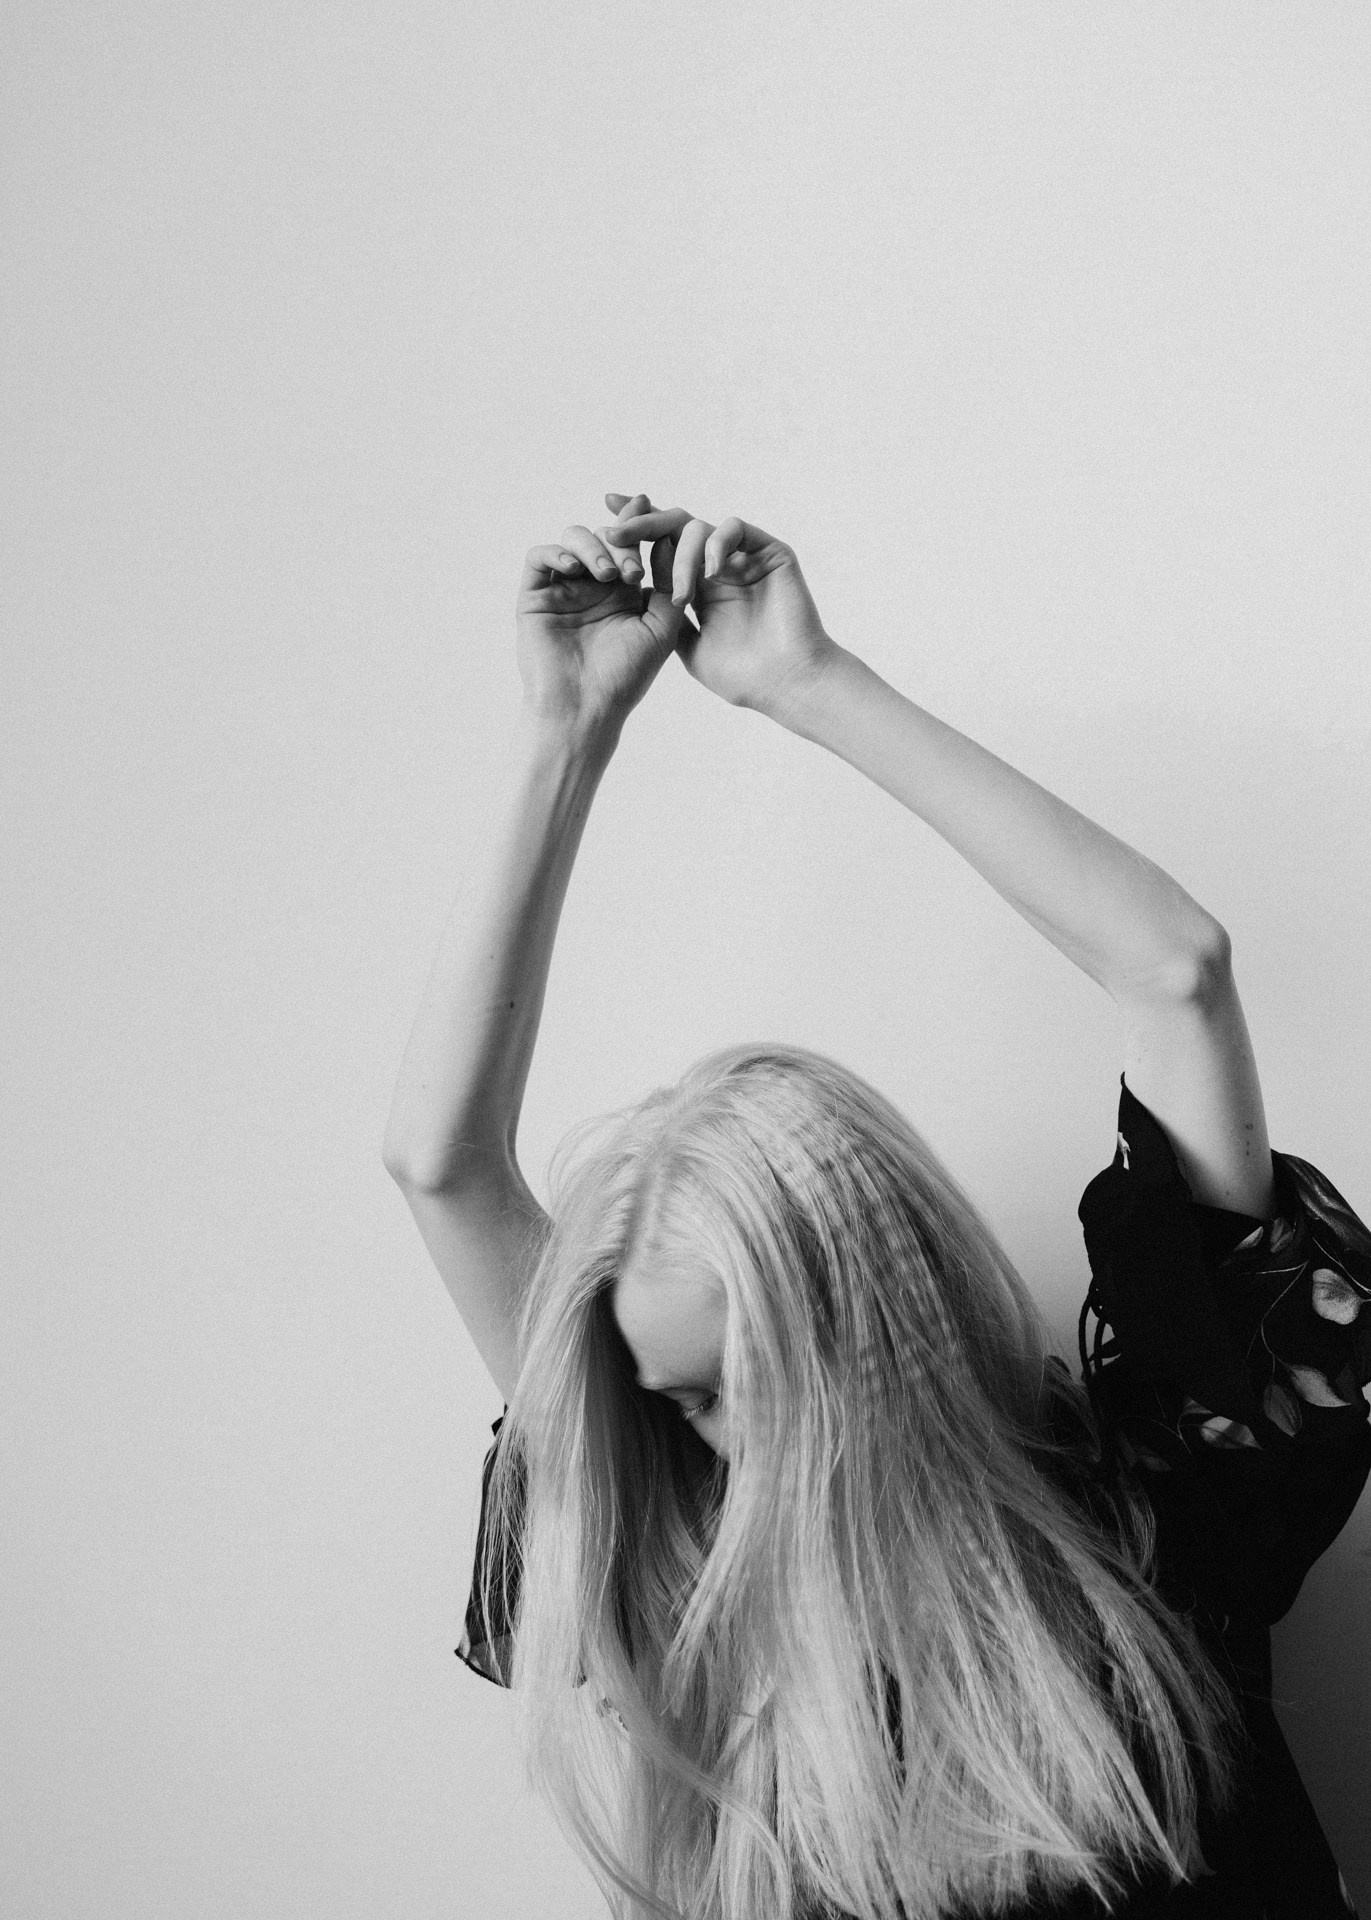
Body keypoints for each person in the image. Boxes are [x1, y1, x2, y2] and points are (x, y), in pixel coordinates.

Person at [382, 491, 1370, 1920]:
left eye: (750, 1383)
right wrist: (564, 731)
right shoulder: (677, 1584)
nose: (720, 1449)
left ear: (887, 1321)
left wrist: (806, 681)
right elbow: (443, 1169)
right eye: (681, 1402)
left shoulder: (1158, 1517)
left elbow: (1174, 970)